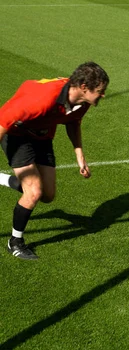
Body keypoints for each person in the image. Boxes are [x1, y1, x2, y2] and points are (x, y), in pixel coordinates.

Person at [0, 61, 109, 259]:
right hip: (17, 134)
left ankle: (3, 179)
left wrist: (80, 156)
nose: (103, 95)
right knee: (34, 192)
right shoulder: (41, 100)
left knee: (47, 195)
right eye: (100, 91)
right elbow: (2, 121)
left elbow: (73, 122)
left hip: (42, 136)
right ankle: (15, 242)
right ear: (84, 87)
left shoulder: (83, 102)